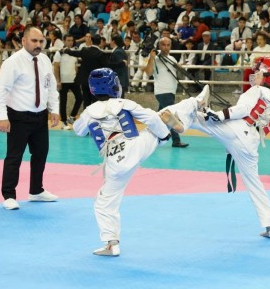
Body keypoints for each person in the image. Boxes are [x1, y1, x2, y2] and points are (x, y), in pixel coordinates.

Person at [161, 57, 270, 239]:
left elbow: (242, 110)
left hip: (236, 130)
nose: (253, 75)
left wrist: (219, 115)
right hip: (251, 144)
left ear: (267, 76)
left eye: (258, 72)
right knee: (255, 184)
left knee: (196, 113)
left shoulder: (255, 90)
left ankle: (182, 123)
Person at [72, 68, 175, 257]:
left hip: (115, 160)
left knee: (104, 204)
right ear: (114, 85)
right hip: (136, 146)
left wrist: (92, 119)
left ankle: (112, 244)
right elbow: (151, 117)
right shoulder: (124, 103)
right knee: (160, 118)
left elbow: (77, 130)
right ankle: (193, 108)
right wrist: (165, 136)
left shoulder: (88, 112)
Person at [0, 26, 60, 210]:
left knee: (40, 153)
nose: (38, 44)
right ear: (24, 41)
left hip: (40, 116)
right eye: (34, 41)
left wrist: (54, 109)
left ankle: (36, 190)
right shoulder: (13, 62)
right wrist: (2, 116)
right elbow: (0, 90)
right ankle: (8, 195)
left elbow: (51, 87)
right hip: (18, 116)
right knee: (14, 156)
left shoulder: (45, 60)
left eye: (41, 41)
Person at [144, 37, 189, 148]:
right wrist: (151, 57)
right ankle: (176, 140)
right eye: (163, 45)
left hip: (171, 91)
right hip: (162, 91)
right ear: (159, 46)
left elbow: (179, 71)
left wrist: (180, 67)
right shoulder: (155, 59)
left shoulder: (172, 59)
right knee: (171, 116)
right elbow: (148, 72)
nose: (166, 47)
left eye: (168, 45)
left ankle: (149, 135)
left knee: (159, 115)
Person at [63, 34, 107, 107]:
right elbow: (108, 65)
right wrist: (121, 63)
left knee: (86, 102)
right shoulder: (101, 54)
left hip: (84, 81)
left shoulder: (84, 50)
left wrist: (66, 50)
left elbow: (73, 53)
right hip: (96, 82)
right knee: (96, 102)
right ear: (100, 43)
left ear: (91, 41)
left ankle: (86, 117)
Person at [53, 34, 83, 130]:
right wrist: (58, 80)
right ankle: (64, 122)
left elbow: (75, 66)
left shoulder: (75, 52)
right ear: (64, 41)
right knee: (63, 101)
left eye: (71, 40)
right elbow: (56, 67)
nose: (70, 42)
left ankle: (72, 116)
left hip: (73, 80)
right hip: (63, 81)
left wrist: (77, 77)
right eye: (68, 40)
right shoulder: (59, 53)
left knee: (80, 97)